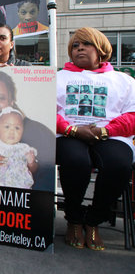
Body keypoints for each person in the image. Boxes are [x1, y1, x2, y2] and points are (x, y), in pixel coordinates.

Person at [56, 27, 135, 251]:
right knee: (76, 162)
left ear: (100, 48)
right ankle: (73, 218)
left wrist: (105, 131)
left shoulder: (124, 81)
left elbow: (132, 115)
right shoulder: (58, 78)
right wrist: (72, 130)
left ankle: (93, 221)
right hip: (68, 134)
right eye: (75, 45)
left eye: (86, 44)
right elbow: (46, 109)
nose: (79, 48)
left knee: (119, 165)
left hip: (111, 135)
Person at [0, 107, 38, 189]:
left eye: (17, 128)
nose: (12, 131)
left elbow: (33, 170)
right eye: (7, 127)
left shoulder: (24, 148)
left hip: (21, 186)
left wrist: (31, 163)